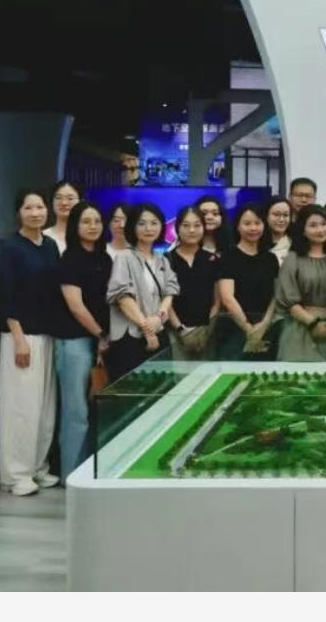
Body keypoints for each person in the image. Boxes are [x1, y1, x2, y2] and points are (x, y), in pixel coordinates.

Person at [0, 188, 62, 496]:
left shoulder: (49, 245)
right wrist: (19, 338)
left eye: (40, 207)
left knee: (44, 409)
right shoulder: (9, 248)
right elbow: (4, 296)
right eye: (28, 208)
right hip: (20, 336)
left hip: (47, 334)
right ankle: (15, 475)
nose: (35, 213)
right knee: (20, 408)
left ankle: (38, 467)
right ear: (18, 213)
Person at [53, 201, 112, 482]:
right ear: (75, 226)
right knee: (75, 410)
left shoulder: (105, 259)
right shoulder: (69, 260)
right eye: (86, 221)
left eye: (97, 221)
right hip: (74, 341)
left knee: (93, 408)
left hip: (100, 341)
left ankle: (89, 470)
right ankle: (71, 475)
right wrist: (100, 334)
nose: (93, 226)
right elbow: (76, 307)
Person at [105, 203, 179, 382]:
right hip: (130, 337)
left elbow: (170, 292)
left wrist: (158, 318)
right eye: (142, 223)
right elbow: (123, 298)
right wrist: (147, 329)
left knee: (161, 389)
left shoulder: (162, 260)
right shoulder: (124, 257)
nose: (148, 228)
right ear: (132, 226)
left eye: (154, 223)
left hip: (158, 332)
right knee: (131, 390)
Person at [276, 204, 326, 361]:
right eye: (313, 225)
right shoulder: (293, 259)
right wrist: (313, 323)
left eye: (324, 224)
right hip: (300, 328)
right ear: (303, 230)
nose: (320, 229)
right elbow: (288, 299)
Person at [217, 204, 279, 360]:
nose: (253, 228)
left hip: (267, 328)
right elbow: (227, 298)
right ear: (238, 227)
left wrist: (264, 324)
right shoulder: (228, 257)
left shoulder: (271, 259)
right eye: (247, 223)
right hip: (233, 328)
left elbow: (276, 295)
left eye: (257, 223)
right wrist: (248, 329)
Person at [166, 207, 221, 359]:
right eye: (186, 225)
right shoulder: (166, 260)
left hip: (207, 333)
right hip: (176, 333)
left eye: (197, 225)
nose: (192, 230)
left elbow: (217, 302)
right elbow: (165, 300)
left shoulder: (212, 259)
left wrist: (205, 329)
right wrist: (180, 329)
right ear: (177, 228)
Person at [43, 180, 80, 255]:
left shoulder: (88, 235)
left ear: (80, 201)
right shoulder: (43, 237)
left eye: (70, 198)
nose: (64, 203)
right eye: (58, 198)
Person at [265, 196, 293, 265]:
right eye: (276, 214)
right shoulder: (256, 242)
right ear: (266, 216)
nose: (281, 219)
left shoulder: (295, 244)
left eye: (285, 215)